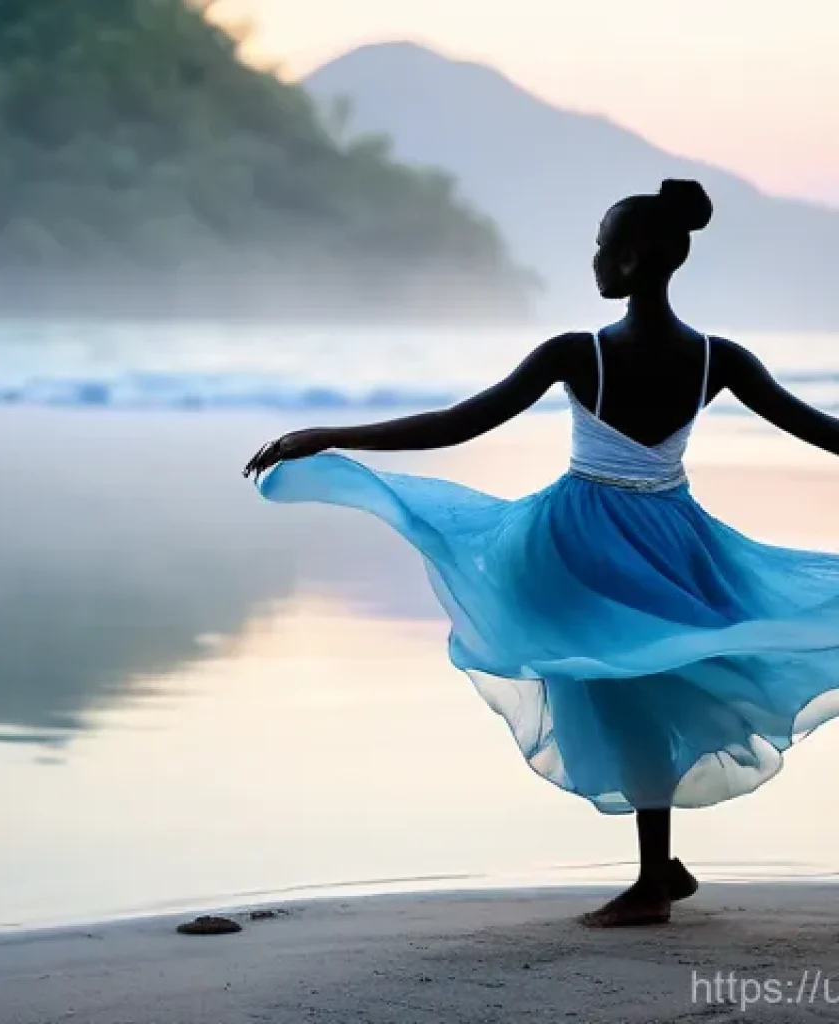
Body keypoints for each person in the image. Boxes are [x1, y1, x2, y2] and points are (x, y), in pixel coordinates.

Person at [243, 179, 839, 927]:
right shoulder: (719, 358)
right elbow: (823, 430)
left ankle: (654, 882)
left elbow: (458, 423)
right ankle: (660, 868)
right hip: (673, 540)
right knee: (645, 691)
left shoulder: (580, 352)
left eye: (603, 246)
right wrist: (330, 435)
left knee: (627, 699)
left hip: (584, 545)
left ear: (632, 259)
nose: (595, 259)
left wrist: (330, 435)